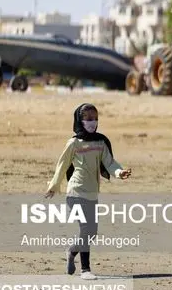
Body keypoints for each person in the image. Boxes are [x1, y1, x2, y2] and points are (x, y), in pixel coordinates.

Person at [45, 103, 132, 280]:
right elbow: (62, 166)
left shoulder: (100, 142)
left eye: (95, 118)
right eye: (88, 119)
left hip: (92, 193)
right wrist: (54, 186)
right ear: (80, 120)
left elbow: (109, 162)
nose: (92, 122)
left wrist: (119, 172)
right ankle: (85, 270)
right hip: (75, 192)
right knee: (87, 229)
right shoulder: (74, 143)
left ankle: (71, 251)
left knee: (90, 232)